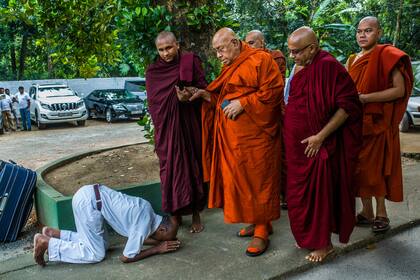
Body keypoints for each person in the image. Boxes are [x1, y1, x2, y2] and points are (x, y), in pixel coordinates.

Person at [190, 28, 283, 257]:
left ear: (234, 42)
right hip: (233, 141)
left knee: (258, 181)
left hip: (257, 138)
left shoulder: (261, 59)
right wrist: (203, 95)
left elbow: (274, 91)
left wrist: (245, 103)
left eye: (221, 49)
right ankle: (257, 221)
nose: (219, 55)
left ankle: (261, 231)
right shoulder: (230, 66)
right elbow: (222, 99)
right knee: (241, 183)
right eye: (216, 51)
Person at [284, 27, 362, 262]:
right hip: (297, 149)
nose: (292, 56)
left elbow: (348, 105)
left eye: (296, 52)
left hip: (318, 146)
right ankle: (308, 237)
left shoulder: (329, 67)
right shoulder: (300, 67)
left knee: (319, 196)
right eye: (290, 51)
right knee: (298, 196)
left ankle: (324, 244)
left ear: (312, 48)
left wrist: (320, 136)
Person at [346, 16, 413, 233]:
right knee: (358, 171)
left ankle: (381, 212)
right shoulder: (352, 60)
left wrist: (366, 98)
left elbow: (399, 90)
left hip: (377, 123)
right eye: (359, 31)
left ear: (379, 33)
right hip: (355, 124)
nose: (362, 35)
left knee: (375, 169)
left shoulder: (387, 55)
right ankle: (366, 212)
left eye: (368, 30)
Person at [145, 31, 207, 233]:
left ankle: (196, 213)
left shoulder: (190, 62)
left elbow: (204, 89)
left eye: (169, 48)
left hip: (188, 125)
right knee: (169, 170)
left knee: (192, 166)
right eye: (161, 50)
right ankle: (175, 214)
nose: (165, 53)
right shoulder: (153, 72)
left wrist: (188, 96)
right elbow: (155, 103)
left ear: (177, 45)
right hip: (166, 130)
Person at [33, 184, 180, 266]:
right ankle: (47, 243)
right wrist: (157, 249)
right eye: (165, 237)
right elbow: (126, 257)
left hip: (87, 195)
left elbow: (138, 238)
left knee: (102, 244)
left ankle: (54, 234)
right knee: (96, 254)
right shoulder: (144, 224)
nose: (163, 240)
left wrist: (159, 242)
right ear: (162, 228)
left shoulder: (147, 210)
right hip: (89, 205)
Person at [245, 29, 288, 209]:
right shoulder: (246, 61)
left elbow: (272, 85)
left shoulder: (275, 57)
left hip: (275, 113)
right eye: (246, 43)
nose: (248, 47)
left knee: (281, 156)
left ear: (262, 43)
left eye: (252, 43)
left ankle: (285, 194)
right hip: (254, 115)